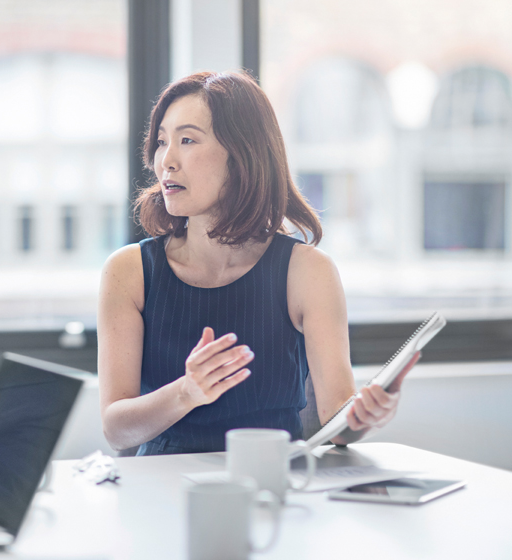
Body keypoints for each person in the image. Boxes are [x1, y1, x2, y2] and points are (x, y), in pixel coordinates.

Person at [97, 71, 419, 455]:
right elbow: (116, 431)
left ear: (243, 155)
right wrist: (186, 392)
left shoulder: (308, 272)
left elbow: (337, 425)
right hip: (163, 493)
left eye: (186, 140)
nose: (165, 160)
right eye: (162, 141)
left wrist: (364, 417)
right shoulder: (128, 271)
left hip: (277, 489)